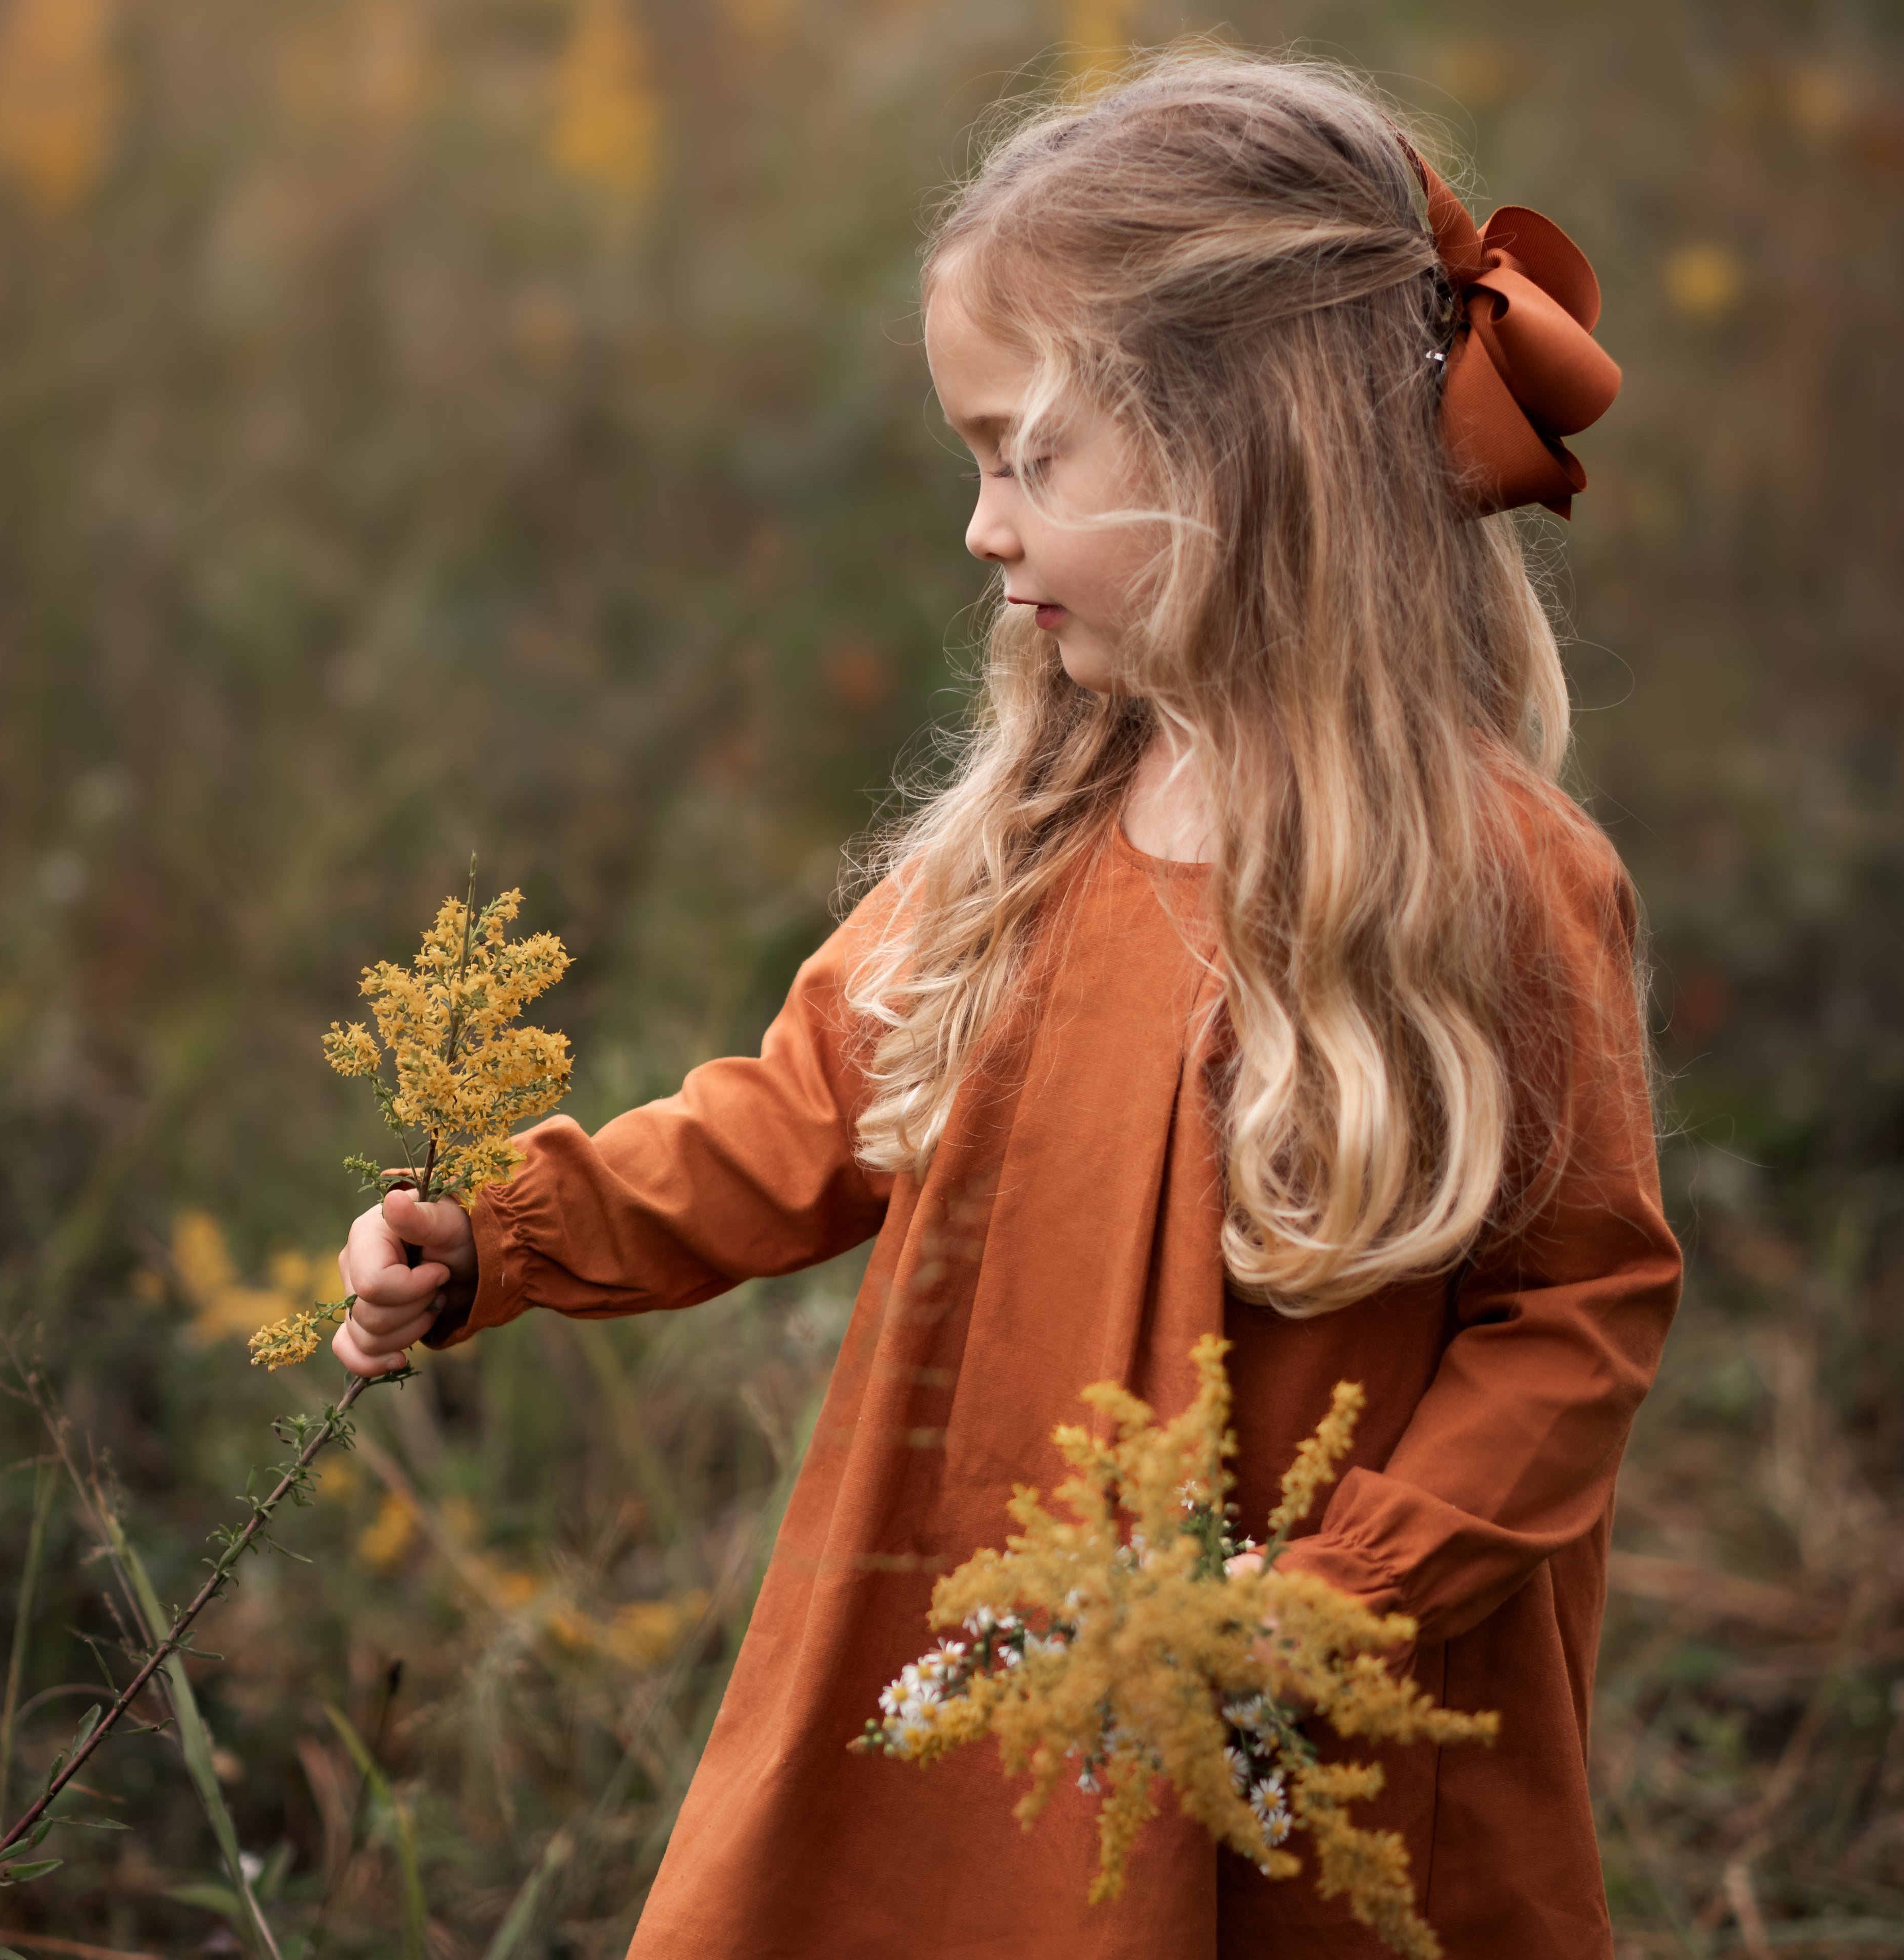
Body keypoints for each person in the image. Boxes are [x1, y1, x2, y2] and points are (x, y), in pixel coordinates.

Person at [332, 49, 1678, 1960]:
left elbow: (1577, 1317)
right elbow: (801, 1111)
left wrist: (1338, 1597)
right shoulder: (1034, 837)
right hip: (970, 1623)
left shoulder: (1495, 879)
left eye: (1028, 458)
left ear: (1245, 452)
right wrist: (508, 1235)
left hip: (1296, 1712)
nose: (983, 527)